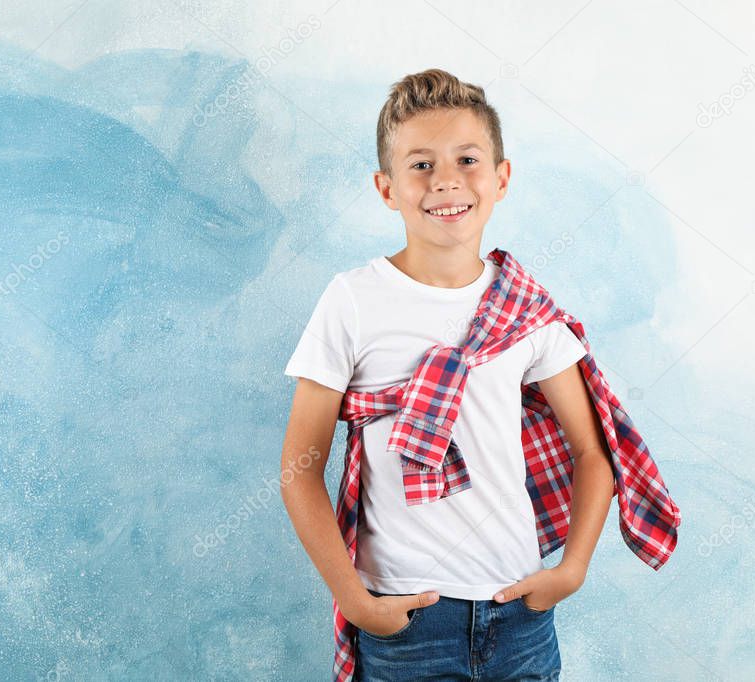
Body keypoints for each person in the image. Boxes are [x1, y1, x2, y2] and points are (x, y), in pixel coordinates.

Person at [280, 68, 680, 682]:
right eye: (420, 165)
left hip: (518, 614)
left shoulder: (524, 308)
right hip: (408, 620)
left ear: (501, 178)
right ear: (386, 189)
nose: (446, 180)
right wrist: (359, 604)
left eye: (467, 159)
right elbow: (299, 470)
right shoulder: (353, 301)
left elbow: (591, 449)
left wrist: (570, 571)